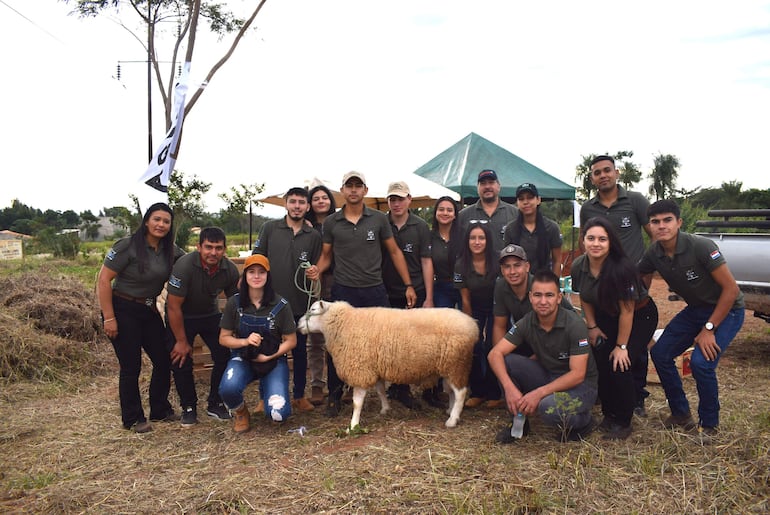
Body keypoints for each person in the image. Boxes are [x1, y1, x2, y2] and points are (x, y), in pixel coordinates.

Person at [305, 171, 416, 417]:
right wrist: (316, 270)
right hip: (343, 293)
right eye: (349, 186)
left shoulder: (378, 219)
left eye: (358, 186)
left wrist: (408, 284)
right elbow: (326, 257)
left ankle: (398, 389)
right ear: (342, 191)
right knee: (338, 346)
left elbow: (395, 252)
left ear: (365, 190)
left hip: (375, 291)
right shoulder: (332, 223)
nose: (353, 190)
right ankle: (335, 395)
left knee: (389, 342)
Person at [638, 199, 744, 435]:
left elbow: (731, 290)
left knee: (700, 364)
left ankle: (709, 426)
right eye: (655, 222)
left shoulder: (700, 246)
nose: (661, 226)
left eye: (667, 220)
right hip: (696, 309)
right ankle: (680, 413)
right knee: (660, 353)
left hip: (727, 310)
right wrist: (639, 296)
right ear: (650, 226)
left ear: (679, 222)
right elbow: (640, 272)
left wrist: (708, 329)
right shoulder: (654, 252)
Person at [97, 202, 185, 433]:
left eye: (166, 221)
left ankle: (160, 409)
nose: (161, 224)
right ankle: (133, 418)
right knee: (131, 366)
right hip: (122, 309)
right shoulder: (127, 246)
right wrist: (109, 317)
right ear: (146, 221)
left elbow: (190, 264)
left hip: (148, 310)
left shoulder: (171, 250)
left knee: (164, 359)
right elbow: (104, 280)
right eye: (157, 219)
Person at [570, 217, 658, 439]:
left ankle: (624, 420)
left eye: (602, 239)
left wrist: (621, 346)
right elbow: (585, 297)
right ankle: (609, 415)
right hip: (605, 315)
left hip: (639, 315)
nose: (596, 244)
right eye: (591, 238)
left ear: (611, 243)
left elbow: (627, 311)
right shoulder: (579, 265)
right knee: (601, 360)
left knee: (620, 363)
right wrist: (591, 326)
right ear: (583, 240)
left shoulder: (622, 268)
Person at [487, 270, 598, 443]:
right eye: (538, 295)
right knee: (507, 362)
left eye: (549, 295)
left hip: (581, 386)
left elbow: (577, 375)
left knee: (547, 408)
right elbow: (495, 354)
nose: (543, 301)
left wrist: (538, 393)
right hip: (549, 375)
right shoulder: (527, 321)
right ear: (530, 297)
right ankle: (519, 422)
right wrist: (509, 388)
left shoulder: (574, 324)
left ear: (559, 298)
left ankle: (583, 422)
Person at [580, 155, 653, 417]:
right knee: (606, 342)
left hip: (631, 283)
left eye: (607, 170)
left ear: (616, 173)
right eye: (597, 172)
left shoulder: (635, 200)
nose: (603, 175)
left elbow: (653, 234)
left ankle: (637, 397)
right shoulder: (588, 208)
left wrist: (646, 272)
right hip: (603, 288)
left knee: (632, 347)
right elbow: (584, 245)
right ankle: (609, 394)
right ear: (592, 178)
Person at [253, 187, 322, 413]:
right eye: (293, 202)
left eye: (301, 202)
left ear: (307, 207)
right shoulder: (270, 228)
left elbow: (317, 265)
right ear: (286, 204)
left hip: (300, 303)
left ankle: (300, 396)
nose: (297, 206)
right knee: (267, 349)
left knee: (300, 351)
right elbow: (257, 259)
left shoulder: (313, 236)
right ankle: (264, 397)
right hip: (271, 304)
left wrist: (314, 271)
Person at [165, 227, 240, 426]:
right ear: (199, 247)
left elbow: (237, 303)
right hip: (181, 315)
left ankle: (215, 403)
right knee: (180, 359)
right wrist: (181, 341)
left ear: (224, 249)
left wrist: (234, 331)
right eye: (208, 247)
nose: (213, 253)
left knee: (225, 354)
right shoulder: (184, 265)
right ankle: (188, 407)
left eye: (218, 248)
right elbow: (173, 306)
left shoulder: (230, 269)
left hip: (209, 313)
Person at [218, 254, 297, 433]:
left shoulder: (280, 305)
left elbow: (291, 341)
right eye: (251, 272)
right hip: (243, 357)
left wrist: (269, 356)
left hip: (273, 360)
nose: (256, 276)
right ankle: (240, 411)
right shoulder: (235, 303)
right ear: (244, 276)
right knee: (227, 389)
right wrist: (245, 341)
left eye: (261, 272)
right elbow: (223, 338)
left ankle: (272, 394)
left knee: (278, 414)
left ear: (268, 276)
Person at [382, 181, 434, 409]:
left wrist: (429, 297)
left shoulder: (421, 226)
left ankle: (419, 386)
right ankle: (397, 386)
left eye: (400, 199)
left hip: (415, 291)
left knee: (414, 343)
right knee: (392, 342)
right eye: (392, 199)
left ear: (409, 200)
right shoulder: (380, 222)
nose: (396, 203)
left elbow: (426, 260)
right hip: (386, 290)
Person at [454, 221, 501, 408]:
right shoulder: (461, 264)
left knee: (492, 346)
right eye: (473, 238)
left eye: (481, 238)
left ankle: (495, 393)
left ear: (488, 240)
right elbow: (465, 299)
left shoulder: (498, 261)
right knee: (474, 347)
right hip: (473, 308)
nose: (477, 242)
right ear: (467, 241)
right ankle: (478, 392)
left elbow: (503, 294)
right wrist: (472, 326)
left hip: (498, 308)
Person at [305, 183, 337, 406]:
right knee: (315, 337)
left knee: (337, 337)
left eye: (324, 197)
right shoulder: (306, 227)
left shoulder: (339, 222)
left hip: (337, 282)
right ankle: (317, 384)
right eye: (316, 198)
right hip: (313, 284)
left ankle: (341, 383)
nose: (320, 201)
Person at [503, 183, 563, 275]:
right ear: (517, 203)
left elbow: (557, 260)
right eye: (521, 199)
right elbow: (507, 260)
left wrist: (554, 284)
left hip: (543, 281)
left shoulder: (551, 227)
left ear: (538, 200)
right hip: (517, 280)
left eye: (530, 197)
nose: (525, 202)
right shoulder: (510, 229)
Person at [457, 169, 518, 256]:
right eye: (483, 183)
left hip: (506, 268)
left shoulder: (515, 213)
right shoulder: (463, 215)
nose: (487, 186)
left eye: (491, 182)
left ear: (498, 186)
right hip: (474, 268)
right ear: (477, 188)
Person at [430, 196, 462, 309]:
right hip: (441, 286)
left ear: (454, 215)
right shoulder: (429, 237)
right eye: (441, 209)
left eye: (449, 210)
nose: (445, 213)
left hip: (464, 286)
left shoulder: (464, 235)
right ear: (435, 213)